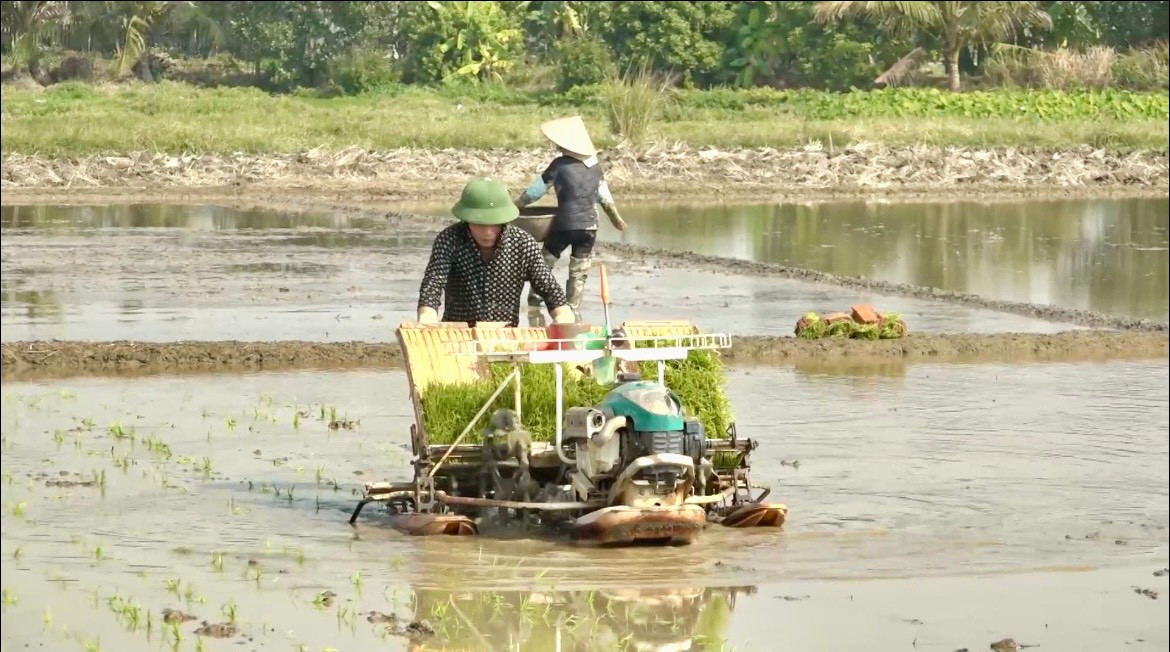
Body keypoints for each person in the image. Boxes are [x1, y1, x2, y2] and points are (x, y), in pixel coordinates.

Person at [417, 177, 575, 327]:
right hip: (459, 334)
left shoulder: (523, 244)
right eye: (479, 224)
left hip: (504, 335)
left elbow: (549, 289)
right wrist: (427, 316)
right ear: (467, 219)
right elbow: (433, 285)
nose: (487, 232)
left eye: (494, 224)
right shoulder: (450, 240)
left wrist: (563, 316)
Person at [515, 115, 627, 319]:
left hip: (564, 224)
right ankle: (573, 308)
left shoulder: (559, 165)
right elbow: (606, 199)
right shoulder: (595, 168)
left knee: (546, 260)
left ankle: (535, 301)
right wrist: (617, 221)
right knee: (579, 268)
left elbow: (534, 193)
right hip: (589, 227)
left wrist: (514, 207)